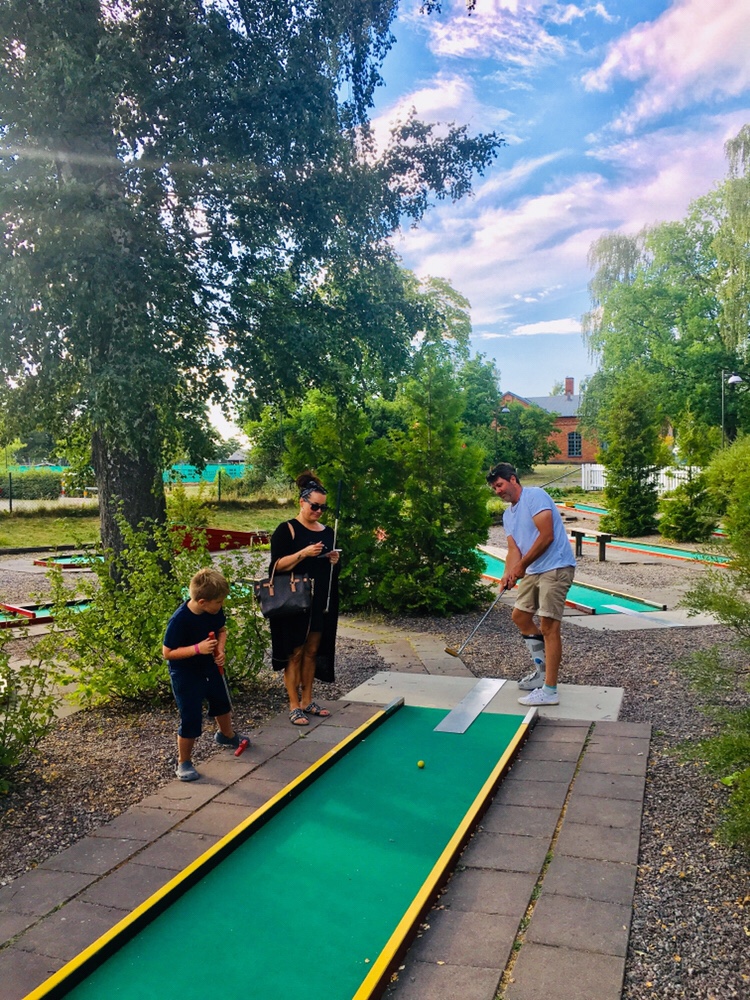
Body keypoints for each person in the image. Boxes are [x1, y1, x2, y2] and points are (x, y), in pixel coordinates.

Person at [487, 462, 576, 707]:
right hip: (534, 570)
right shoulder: (508, 515)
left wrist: (521, 566)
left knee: (549, 626)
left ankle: (550, 690)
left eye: (500, 485)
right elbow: (513, 549)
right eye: (494, 488)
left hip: (556, 566)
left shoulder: (535, 496)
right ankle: (541, 673)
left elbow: (547, 536)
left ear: (513, 479)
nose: (498, 491)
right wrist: (508, 573)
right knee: (520, 616)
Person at [269, 472, 341, 726]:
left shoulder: (328, 532)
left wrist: (334, 561)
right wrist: (303, 553)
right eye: (314, 506)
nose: (318, 511)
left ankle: (307, 700)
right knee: (295, 653)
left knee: (312, 651)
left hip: (319, 600)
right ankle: (293, 705)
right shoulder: (286, 530)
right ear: (302, 502)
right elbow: (276, 567)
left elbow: (332, 573)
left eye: (323, 508)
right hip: (293, 601)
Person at [163, 567, 248, 781]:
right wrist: (197, 649)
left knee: (221, 702)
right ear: (202, 602)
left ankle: (226, 735)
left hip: (209, 666)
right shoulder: (180, 620)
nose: (222, 605)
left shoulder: (214, 611)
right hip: (186, 674)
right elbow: (168, 653)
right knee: (191, 716)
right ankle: (184, 762)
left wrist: (220, 650)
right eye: (219, 602)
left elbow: (222, 630)